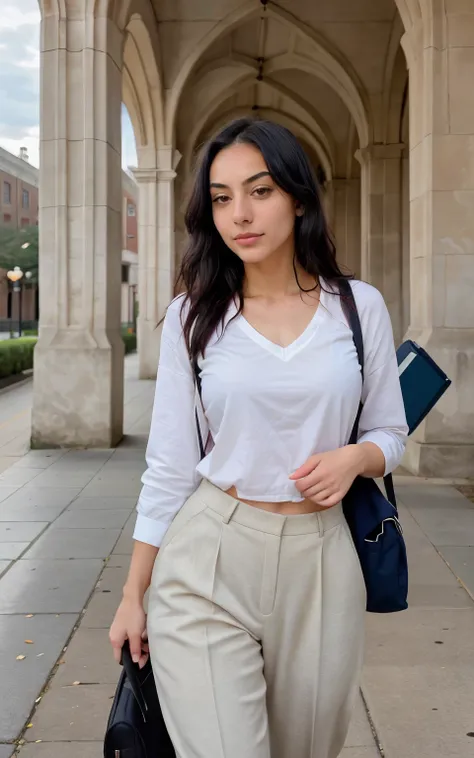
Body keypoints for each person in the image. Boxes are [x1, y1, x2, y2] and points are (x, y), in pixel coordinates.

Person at [109, 117, 408, 758]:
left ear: (298, 197)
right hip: (211, 556)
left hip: (323, 561)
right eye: (221, 198)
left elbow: (391, 430)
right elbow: (168, 466)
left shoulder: (359, 307)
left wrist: (357, 457)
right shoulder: (193, 317)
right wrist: (134, 595)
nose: (239, 214)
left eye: (260, 190)